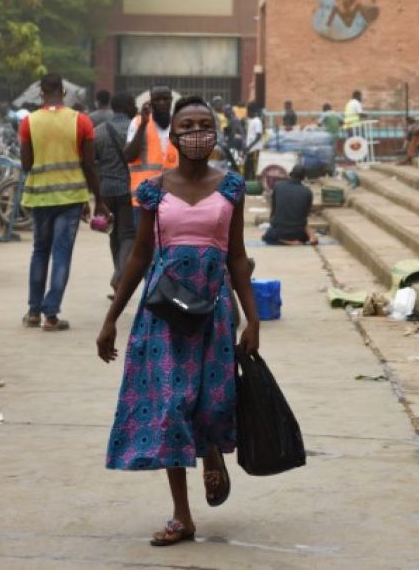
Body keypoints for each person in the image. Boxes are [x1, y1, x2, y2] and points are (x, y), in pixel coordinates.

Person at [97, 96, 260, 547]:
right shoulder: (154, 190)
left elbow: (237, 256)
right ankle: (182, 516)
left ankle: (211, 453)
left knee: (212, 403)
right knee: (170, 407)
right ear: (174, 135)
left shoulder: (231, 187)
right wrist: (112, 318)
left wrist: (252, 319)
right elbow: (139, 255)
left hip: (214, 311)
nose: (196, 132)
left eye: (205, 124)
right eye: (187, 125)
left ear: (216, 132)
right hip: (164, 313)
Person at [19, 73, 109, 330]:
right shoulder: (81, 121)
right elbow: (90, 166)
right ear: (64, 92)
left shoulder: (28, 122)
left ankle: (33, 312)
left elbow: (26, 164)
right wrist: (99, 200)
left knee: (40, 251)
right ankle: (51, 315)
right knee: (61, 254)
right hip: (71, 198)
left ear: (41, 93)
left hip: (40, 196)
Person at [93, 91, 138, 295]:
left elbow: (92, 162)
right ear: (127, 106)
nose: (135, 107)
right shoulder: (135, 129)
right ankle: (119, 276)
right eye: (133, 104)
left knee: (113, 235)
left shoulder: (99, 131)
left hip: (106, 190)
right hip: (128, 189)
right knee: (128, 234)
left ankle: (119, 276)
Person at [124, 85, 179, 210]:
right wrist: (143, 125)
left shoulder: (179, 124)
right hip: (144, 198)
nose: (162, 103)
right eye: (157, 99)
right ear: (150, 101)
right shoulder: (138, 122)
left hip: (173, 197)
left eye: (165, 99)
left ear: (171, 100)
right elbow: (128, 156)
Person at [263, 165, 317, 245]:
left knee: (267, 236)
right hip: (297, 233)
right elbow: (305, 215)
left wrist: (273, 222)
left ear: (290, 174)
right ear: (304, 177)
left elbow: (274, 209)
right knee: (305, 236)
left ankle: (284, 241)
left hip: (279, 231)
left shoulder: (278, 186)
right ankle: (290, 240)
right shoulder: (307, 192)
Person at [244, 103, 263, 181]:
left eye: (248, 111)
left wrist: (249, 146)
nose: (247, 113)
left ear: (251, 111)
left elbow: (258, 136)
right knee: (247, 168)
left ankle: (254, 183)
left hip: (255, 149)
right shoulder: (250, 121)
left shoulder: (257, 121)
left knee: (254, 169)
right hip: (250, 150)